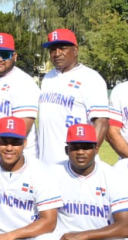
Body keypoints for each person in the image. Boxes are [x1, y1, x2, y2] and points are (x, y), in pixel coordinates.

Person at [37, 28, 110, 166]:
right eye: (53, 49)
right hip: (46, 163)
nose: (57, 53)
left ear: (75, 50)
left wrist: (89, 155)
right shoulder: (48, 77)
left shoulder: (91, 78)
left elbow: (101, 121)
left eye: (62, 48)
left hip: (76, 164)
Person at [0, 32, 39, 158]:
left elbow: (20, 130)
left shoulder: (24, 83)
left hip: (14, 158)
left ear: (14, 56)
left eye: (5, 55)